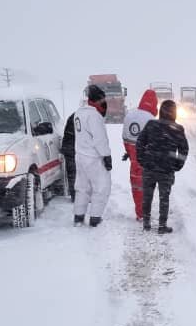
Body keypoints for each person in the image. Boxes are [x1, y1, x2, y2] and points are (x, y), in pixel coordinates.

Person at [135, 99, 188, 234]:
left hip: (150, 166)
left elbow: (140, 142)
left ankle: (146, 222)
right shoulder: (178, 129)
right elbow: (184, 149)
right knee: (164, 197)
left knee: (147, 195)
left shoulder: (151, 124)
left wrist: (142, 159)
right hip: (167, 168)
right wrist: (177, 164)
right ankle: (162, 225)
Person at [72, 84, 113, 227]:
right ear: (97, 100)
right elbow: (100, 139)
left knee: (82, 188)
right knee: (102, 187)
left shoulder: (78, 113)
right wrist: (107, 156)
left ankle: (78, 216)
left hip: (80, 156)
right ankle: (95, 218)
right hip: (93, 158)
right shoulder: (94, 116)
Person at [121, 89, 159, 221]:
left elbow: (125, 136)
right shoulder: (151, 119)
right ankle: (144, 213)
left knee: (136, 185)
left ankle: (139, 212)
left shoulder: (129, 115)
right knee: (146, 185)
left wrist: (130, 153)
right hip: (146, 157)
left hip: (133, 155)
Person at [60, 111, 77, 201]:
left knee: (72, 173)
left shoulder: (72, 117)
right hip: (73, 148)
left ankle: (75, 195)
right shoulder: (85, 118)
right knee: (76, 173)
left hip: (70, 148)